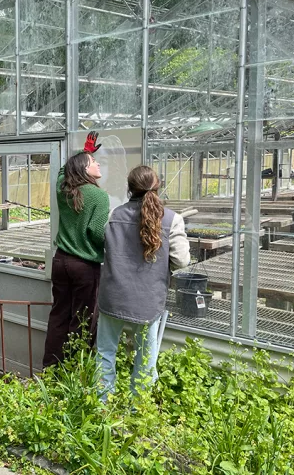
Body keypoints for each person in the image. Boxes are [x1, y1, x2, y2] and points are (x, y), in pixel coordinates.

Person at [96, 165, 190, 400]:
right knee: (145, 356)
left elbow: (104, 249)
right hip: (147, 299)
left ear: (129, 188)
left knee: (105, 351)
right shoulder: (172, 219)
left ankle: (101, 404)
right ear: (158, 187)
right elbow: (181, 260)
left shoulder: (114, 215)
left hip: (113, 295)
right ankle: (138, 409)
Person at [42, 132, 109, 368]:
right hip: (84, 267)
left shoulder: (64, 190)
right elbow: (97, 233)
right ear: (83, 171)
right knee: (83, 320)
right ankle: (75, 372)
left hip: (60, 262)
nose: (98, 163)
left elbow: (63, 171)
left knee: (59, 315)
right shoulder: (99, 196)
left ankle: (51, 370)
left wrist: (86, 153)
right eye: (93, 163)